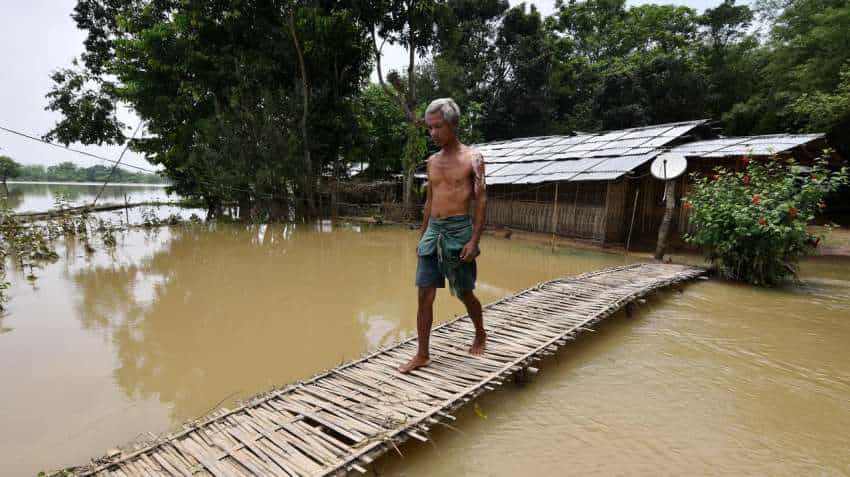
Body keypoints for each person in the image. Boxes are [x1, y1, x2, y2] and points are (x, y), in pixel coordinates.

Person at [398, 98, 488, 374]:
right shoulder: (432, 162)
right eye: (429, 128)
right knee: (424, 295)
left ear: (452, 124)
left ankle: (481, 333)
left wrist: (474, 240)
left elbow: (481, 200)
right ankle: (422, 353)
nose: (433, 133)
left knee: (464, 292)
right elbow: (429, 202)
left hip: (459, 231)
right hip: (433, 232)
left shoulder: (473, 159)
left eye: (438, 127)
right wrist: (423, 235)